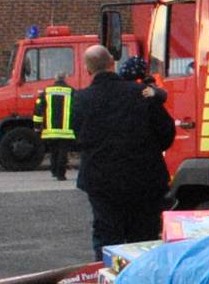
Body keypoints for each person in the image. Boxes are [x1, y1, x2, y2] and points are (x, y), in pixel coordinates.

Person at [72, 46, 176, 258]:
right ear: (112, 63)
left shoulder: (81, 100)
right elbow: (166, 133)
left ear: (87, 69)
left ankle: (108, 283)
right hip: (144, 180)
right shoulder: (143, 95)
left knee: (107, 236)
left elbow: (78, 137)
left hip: (102, 182)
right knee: (144, 238)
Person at [38, 76, 76, 182]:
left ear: (55, 79)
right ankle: (61, 174)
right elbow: (76, 108)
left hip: (50, 129)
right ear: (65, 79)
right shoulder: (71, 91)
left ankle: (54, 171)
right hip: (66, 130)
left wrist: (37, 126)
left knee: (53, 150)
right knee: (63, 151)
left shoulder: (46, 91)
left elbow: (39, 108)